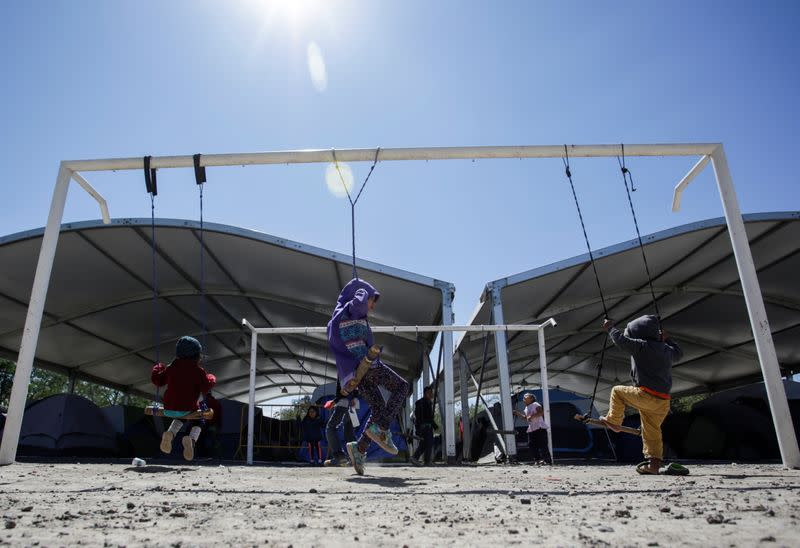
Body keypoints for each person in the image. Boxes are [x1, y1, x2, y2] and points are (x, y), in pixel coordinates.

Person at [327, 278, 409, 475]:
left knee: (379, 408)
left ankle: (359, 449)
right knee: (402, 387)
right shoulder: (351, 310)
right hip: (367, 366)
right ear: (363, 296)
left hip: (359, 375)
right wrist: (362, 293)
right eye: (372, 301)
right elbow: (358, 302)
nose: (372, 307)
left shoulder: (343, 316)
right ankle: (382, 428)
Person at [599, 315, 683, 475]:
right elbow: (679, 353)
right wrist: (668, 339)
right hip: (664, 401)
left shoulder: (641, 346)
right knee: (652, 431)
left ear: (638, 334)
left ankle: (614, 421)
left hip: (646, 395)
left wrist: (610, 327)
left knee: (617, 391)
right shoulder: (666, 349)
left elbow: (621, 341)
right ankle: (654, 464)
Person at [151, 336, 216, 461]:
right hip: (187, 408)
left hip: (169, 408)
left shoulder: (170, 368)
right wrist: (212, 377)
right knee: (199, 419)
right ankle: (191, 440)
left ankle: (170, 433)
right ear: (196, 355)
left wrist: (158, 367)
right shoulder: (198, 371)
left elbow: (157, 380)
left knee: (179, 416)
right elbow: (206, 387)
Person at [323, 382, 358, 467]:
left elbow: (344, 389)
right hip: (354, 405)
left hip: (343, 403)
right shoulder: (355, 369)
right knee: (348, 432)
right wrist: (354, 397)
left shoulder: (342, 368)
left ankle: (339, 456)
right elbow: (355, 385)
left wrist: (334, 401)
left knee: (330, 428)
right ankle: (355, 458)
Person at [513, 392, 551, 465]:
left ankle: (547, 461)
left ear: (531, 399)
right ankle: (538, 460)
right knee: (532, 445)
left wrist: (532, 416)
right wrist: (518, 414)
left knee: (543, 445)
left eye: (525, 397)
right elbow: (526, 418)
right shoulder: (526, 408)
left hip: (540, 427)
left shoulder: (535, 404)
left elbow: (541, 412)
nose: (524, 399)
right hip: (532, 429)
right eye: (523, 398)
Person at [410, 385, 437, 465]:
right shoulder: (424, 403)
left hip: (424, 427)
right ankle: (421, 459)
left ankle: (423, 460)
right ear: (426, 393)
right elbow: (426, 417)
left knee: (425, 444)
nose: (432, 395)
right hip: (425, 427)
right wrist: (434, 425)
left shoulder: (424, 402)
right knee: (428, 443)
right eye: (430, 393)